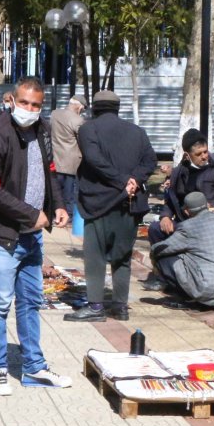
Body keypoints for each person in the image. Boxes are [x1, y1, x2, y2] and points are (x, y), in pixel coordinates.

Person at [0, 76, 71, 396]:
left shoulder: (42, 130)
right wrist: (31, 214)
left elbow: (50, 170)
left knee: (31, 302)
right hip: (0, 234)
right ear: (12, 100)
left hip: (32, 236)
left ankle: (34, 367)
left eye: (36, 105)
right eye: (25, 102)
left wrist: (57, 205)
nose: (30, 110)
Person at [64, 91, 156, 323]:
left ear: (95, 108)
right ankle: (120, 306)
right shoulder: (137, 132)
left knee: (94, 257)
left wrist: (122, 181)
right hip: (129, 204)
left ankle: (96, 306)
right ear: (117, 108)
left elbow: (95, 160)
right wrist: (133, 179)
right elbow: (150, 161)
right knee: (122, 257)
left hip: (99, 203)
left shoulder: (88, 129)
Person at [145, 128, 214, 258]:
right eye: (198, 154)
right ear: (187, 155)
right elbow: (171, 200)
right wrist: (165, 216)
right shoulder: (179, 173)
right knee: (155, 229)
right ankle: (166, 272)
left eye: (205, 151)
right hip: (187, 224)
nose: (204, 156)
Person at [150, 192, 214, 310]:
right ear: (208, 204)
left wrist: (153, 255)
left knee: (163, 258)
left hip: (207, 289)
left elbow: (163, 248)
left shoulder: (187, 227)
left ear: (186, 211)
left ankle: (186, 296)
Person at [49, 95, 87, 218]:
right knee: (69, 194)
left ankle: (53, 213)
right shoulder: (78, 121)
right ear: (79, 106)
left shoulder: (54, 114)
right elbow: (83, 141)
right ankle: (68, 216)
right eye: (83, 108)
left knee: (55, 190)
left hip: (55, 159)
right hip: (71, 163)